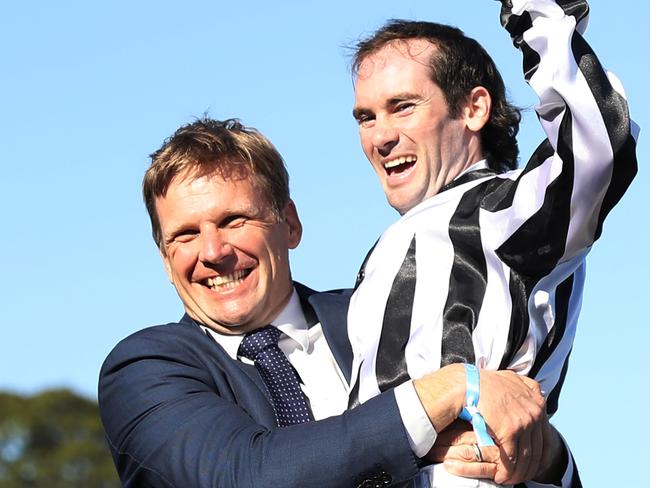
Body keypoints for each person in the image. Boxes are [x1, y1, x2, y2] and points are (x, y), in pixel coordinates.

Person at [98, 118, 565, 487]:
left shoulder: (382, 317)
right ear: (165, 259)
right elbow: (247, 477)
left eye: (234, 220)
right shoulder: (144, 372)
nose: (214, 252)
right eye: (184, 235)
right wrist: (443, 393)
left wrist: (543, 459)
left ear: (290, 224)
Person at [347, 0, 638, 486]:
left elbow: (599, 147)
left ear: (474, 108)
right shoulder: (386, 252)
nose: (381, 137)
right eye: (366, 117)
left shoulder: (501, 209)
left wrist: (541, 19)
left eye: (402, 107)